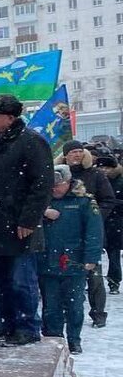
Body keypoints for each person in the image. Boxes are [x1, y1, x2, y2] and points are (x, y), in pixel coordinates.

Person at [0, 94, 54, 347]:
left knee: (21, 281)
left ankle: (27, 326)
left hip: (20, 225)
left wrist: (29, 220)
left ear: (10, 118)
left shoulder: (31, 142)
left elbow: (42, 185)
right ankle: (4, 323)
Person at [40, 166, 102, 354]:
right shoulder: (42, 200)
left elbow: (94, 232)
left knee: (74, 305)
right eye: (52, 186)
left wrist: (91, 258)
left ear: (68, 183)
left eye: (59, 185)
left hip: (74, 262)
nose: (55, 190)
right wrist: (42, 212)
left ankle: (74, 339)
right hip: (47, 261)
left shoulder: (84, 201)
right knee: (51, 306)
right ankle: (54, 339)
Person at [58, 141, 116, 328]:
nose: (77, 155)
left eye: (79, 151)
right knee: (65, 275)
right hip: (64, 232)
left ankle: (98, 313)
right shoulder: (58, 174)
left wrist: (94, 216)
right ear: (65, 155)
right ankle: (68, 311)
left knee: (94, 276)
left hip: (89, 232)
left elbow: (108, 200)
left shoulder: (95, 174)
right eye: (73, 152)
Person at [97, 151, 123, 294]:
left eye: (106, 168)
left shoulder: (120, 181)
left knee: (113, 255)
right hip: (100, 221)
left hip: (115, 222)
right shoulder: (97, 180)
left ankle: (114, 282)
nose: (103, 170)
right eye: (101, 168)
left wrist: (113, 203)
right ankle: (95, 282)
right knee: (95, 254)